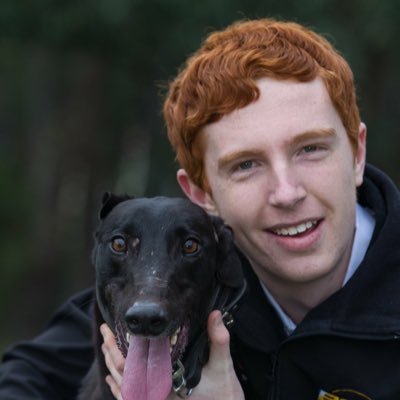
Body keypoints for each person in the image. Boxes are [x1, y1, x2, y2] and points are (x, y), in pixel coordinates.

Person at [1, 17, 400, 400]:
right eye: (246, 165)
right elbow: (25, 378)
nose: (287, 192)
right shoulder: (191, 275)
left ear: (357, 154)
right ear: (200, 193)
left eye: (310, 149)